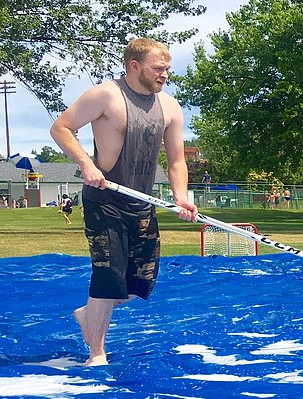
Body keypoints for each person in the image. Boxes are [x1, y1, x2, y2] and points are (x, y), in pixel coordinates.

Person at [49, 37, 197, 366]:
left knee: (139, 283)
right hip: (105, 200)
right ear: (135, 66)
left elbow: (176, 161)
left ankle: (90, 312)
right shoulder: (105, 95)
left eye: (167, 70)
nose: (165, 75)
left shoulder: (170, 107)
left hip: (140, 201)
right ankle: (96, 353)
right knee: (108, 276)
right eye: (159, 69)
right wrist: (86, 164)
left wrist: (182, 197)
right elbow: (61, 128)